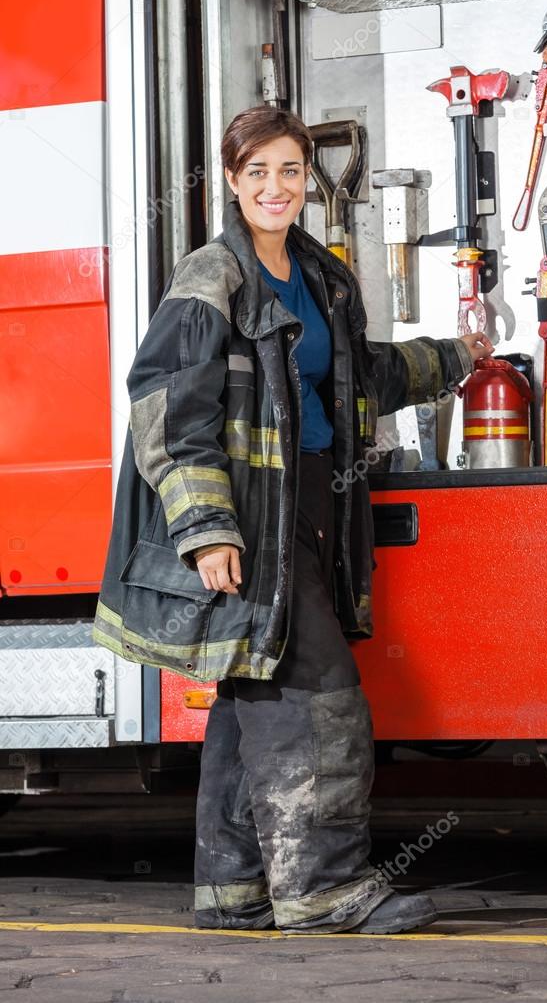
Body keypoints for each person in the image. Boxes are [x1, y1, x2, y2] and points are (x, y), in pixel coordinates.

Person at [93, 105, 493, 935]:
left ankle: (233, 888)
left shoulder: (320, 276)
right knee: (319, 692)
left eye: (290, 169)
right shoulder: (212, 278)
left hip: (314, 501)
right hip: (251, 519)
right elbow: (167, 406)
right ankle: (322, 887)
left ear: (308, 176)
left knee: (253, 688)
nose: (277, 187)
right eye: (258, 172)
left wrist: (457, 356)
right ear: (233, 181)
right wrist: (207, 529)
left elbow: (362, 378)